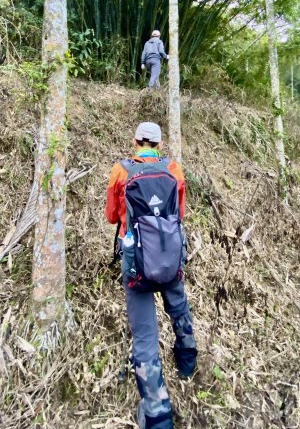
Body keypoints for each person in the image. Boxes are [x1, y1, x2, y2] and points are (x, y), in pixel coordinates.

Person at [105, 122, 197, 429]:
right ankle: (187, 362)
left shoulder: (121, 171)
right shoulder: (174, 170)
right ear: (159, 143)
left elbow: (111, 217)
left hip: (136, 262)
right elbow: (179, 215)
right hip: (170, 255)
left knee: (145, 335)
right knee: (179, 306)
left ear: (135, 141)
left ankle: (158, 416)